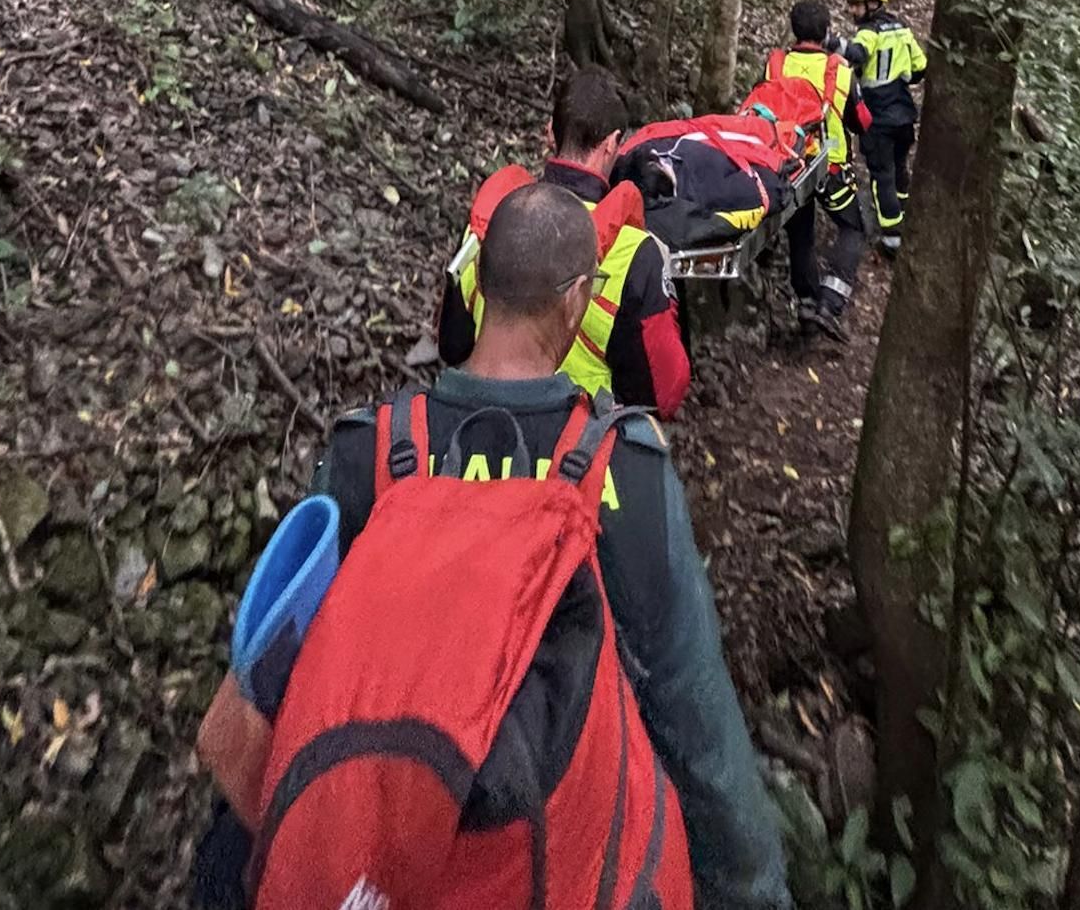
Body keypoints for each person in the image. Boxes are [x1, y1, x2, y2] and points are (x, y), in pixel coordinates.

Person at [217, 183, 786, 909]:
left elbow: (279, 683)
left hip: (370, 854)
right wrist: (751, 887)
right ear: (577, 301)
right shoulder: (625, 467)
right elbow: (690, 705)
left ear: (480, 283)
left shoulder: (370, 451)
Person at [438, 66, 691, 418]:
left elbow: (453, 345)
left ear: (550, 134)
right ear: (612, 143)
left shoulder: (492, 220)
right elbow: (664, 391)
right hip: (580, 448)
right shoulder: (635, 252)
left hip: (481, 424)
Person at [762, 0, 873, 340]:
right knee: (854, 227)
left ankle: (808, 304)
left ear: (794, 32)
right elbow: (861, 121)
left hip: (790, 164)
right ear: (826, 33)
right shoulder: (838, 69)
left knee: (801, 235)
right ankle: (831, 301)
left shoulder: (776, 64)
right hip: (830, 168)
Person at [835, 0, 927, 258]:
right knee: (899, 168)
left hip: (878, 117)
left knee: (882, 175)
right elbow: (920, 69)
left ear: (872, 5)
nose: (852, 10)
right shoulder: (901, 28)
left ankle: (891, 238)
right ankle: (903, 216)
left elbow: (858, 54)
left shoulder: (868, 32)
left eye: (856, 4)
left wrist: (832, 44)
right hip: (903, 112)